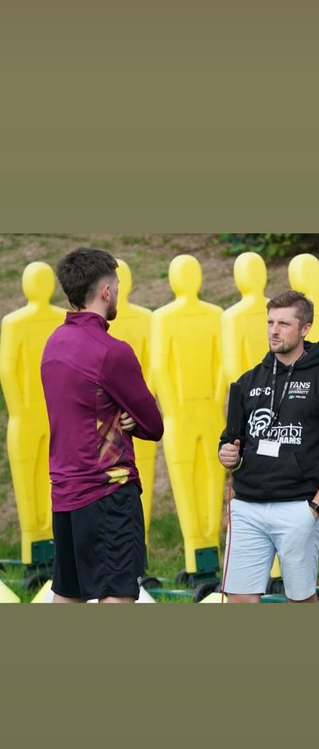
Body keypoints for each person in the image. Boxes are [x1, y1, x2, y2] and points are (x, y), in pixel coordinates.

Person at [41, 247, 164, 603]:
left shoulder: (53, 344)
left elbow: (80, 409)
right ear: (106, 291)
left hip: (64, 495)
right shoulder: (112, 351)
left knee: (67, 595)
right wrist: (129, 418)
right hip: (107, 494)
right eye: (118, 285)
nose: (119, 293)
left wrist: (116, 413)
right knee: (116, 597)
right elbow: (153, 425)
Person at [218, 289, 319, 603]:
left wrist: (315, 508)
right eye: (270, 322)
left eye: (284, 323)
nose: (274, 330)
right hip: (247, 507)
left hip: (298, 508)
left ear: (305, 328)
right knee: (238, 599)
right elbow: (230, 442)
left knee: (300, 601)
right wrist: (226, 454)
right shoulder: (247, 381)